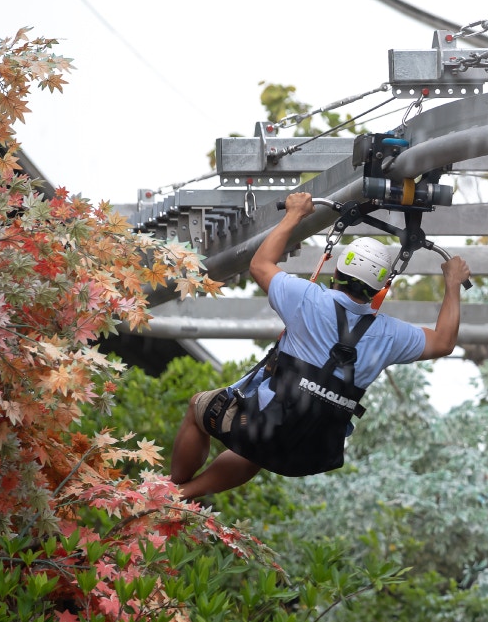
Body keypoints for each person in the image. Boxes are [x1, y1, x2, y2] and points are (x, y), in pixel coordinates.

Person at [170, 190, 470, 498]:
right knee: (254, 451)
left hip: (266, 429)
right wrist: (452, 284)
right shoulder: (390, 335)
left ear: (337, 271)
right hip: (309, 455)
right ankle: (180, 496)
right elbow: (444, 341)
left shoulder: (307, 299)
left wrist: (294, 214)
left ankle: (168, 490)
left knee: (198, 406)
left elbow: (260, 264)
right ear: (379, 289)